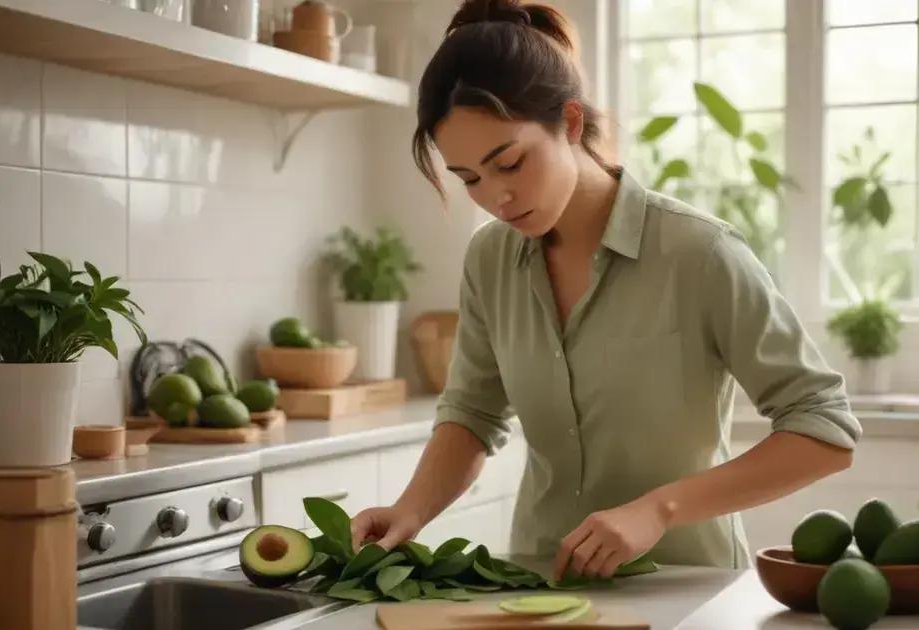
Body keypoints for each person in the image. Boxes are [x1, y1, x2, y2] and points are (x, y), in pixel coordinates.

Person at [351, 0, 861, 581]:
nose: (496, 197)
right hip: (540, 586)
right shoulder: (490, 259)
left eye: (511, 163)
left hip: (687, 589)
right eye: (469, 178)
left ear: (570, 123)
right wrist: (408, 512)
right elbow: (472, 411)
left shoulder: (700, 254)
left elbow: (825, 427)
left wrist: (659, 510)